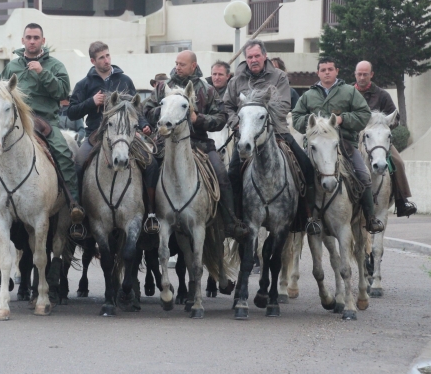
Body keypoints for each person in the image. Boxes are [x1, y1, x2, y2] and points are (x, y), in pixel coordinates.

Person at [143, 50, 248, 240]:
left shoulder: (207, 89)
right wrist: (167, 110)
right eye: (176, 63)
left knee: (222, 175)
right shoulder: (162, 87)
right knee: (148, 170)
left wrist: (196, 118)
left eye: (182, 64)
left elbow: (221, 118)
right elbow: (147, 111)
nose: (177, 67)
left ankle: (230, 222)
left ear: (193, 66)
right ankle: (148, 219)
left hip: (199, 142)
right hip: (166, 142)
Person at [223, 39, 315, 231]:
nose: (253, 60)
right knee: (231, 175)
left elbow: (283, 106)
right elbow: (227, 106)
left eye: (257, 56)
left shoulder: (279, 76)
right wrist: (237, 124)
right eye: (250, 57)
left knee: (306, 166)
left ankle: (307, 217)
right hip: (246, 137)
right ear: (245, 59)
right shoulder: (235, 80)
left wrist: (263, 123)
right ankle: (235, 220)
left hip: (278, 133)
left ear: (265, 56)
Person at [67, 41, 157, 231]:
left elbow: (136, 109)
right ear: (93, 61)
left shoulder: (125, 80)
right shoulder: (84, 84)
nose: (107, 60)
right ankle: (79, 215)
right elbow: (71, 112)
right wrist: (91, 102)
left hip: (126, 134)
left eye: (108, 55)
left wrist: (144, 125)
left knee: (151, 163)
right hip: (95, 135)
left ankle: (150, 213)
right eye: (101, 57)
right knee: (78, 165)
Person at [1, 23, 84, 227]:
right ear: (23, 40)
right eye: (28, 37)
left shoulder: (55, 65)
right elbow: (2, 95)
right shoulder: (12, 67)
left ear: (43, 41)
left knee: (64, 154)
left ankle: (73, 202)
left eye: (36, 37)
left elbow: (63, 93)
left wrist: (42, 73)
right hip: (16, 121)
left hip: (46, 121)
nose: (32, 41)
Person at [292, 57, 384, 233]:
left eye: (330, 69)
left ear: (337, 71)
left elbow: (364, 114)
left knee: (364, 175)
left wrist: (343, 119)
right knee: (296, 177)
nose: (327, 72)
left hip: (344, 144)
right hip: (315, 148)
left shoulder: (349, 92)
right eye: (323, 69)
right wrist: (314, 123)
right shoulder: (308, 95)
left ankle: (370, 218)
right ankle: (303, 219)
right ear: (318, 72)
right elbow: (296, 118)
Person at [354, 60, 416, 217]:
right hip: (352, 139)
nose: (362, 77)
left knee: (398, 162)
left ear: (371, 75)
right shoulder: (348, 93)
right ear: (355, 74)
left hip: (378, 141)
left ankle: (402, 201)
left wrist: (382, 125)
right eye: (359, 74)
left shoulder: (382, 94)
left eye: (365, 74)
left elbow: (395, 117)